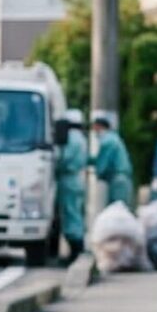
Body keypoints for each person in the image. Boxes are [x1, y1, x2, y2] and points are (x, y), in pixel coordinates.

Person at [54, 108, 89, 262]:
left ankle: (75, 251)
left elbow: (64, 158)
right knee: (74, 212)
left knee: (70, 214)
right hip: (76, 178)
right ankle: (75, 250)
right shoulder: (81, 138)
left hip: (68, 178)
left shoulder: (72, 139)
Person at [90, 111, 135, 210]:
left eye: (94, 128)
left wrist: (97, 174)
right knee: (122, 209)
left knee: (117, 210)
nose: (94, 131)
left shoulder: (107, 141)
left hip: (118, 180)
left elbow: (103, 163)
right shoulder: (114, 138)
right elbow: (99, 159)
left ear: (99, 127)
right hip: (123, 179)